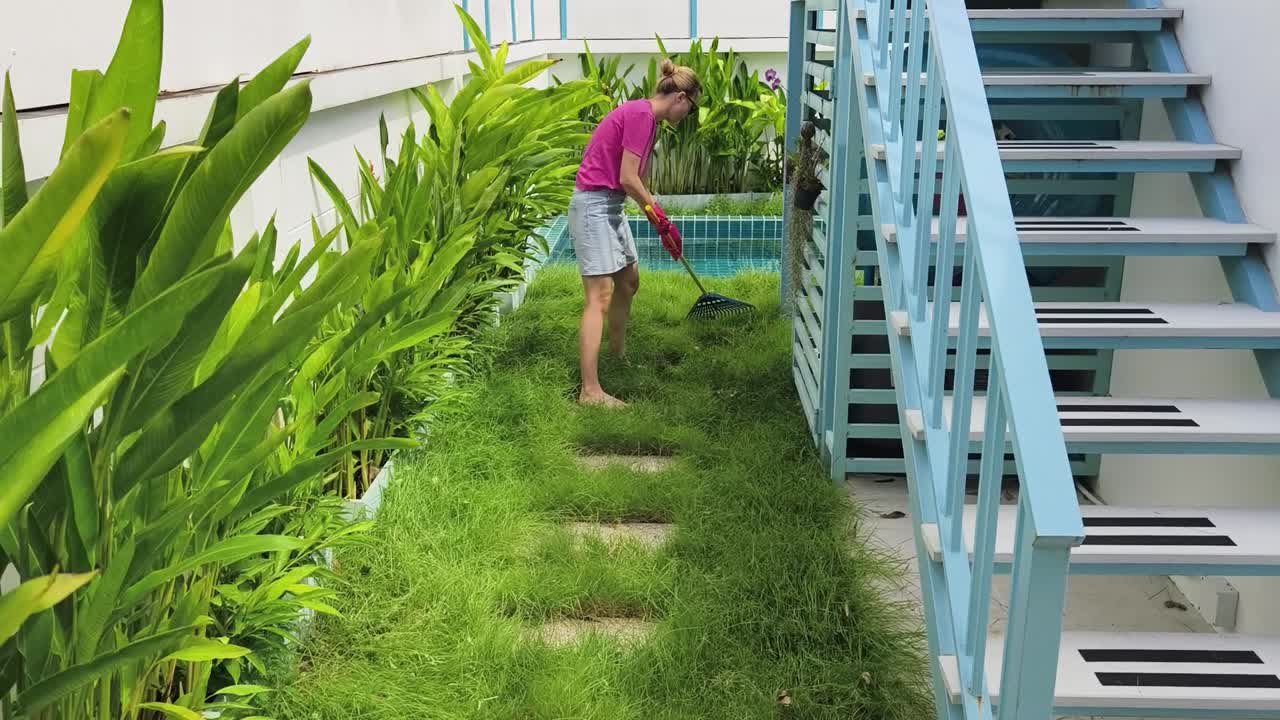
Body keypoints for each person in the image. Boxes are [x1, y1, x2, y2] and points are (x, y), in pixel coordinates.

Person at [568, 59, 702, 408]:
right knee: (598, 297)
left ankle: (616, 355)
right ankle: (590, 391)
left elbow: (627, 181)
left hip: (609, 204)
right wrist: (659, 218)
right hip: (594, 205)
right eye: (692, 107)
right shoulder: (642, 116)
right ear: (681, 98)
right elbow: (629, 177)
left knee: (629, 280)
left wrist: (657, 218)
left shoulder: (647, 118)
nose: (689, 114)